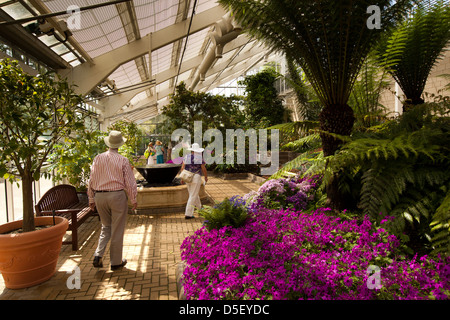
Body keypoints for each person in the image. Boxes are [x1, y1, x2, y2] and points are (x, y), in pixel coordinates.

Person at [87, 130, 138, 271]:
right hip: (116, 196)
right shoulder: (123, 160)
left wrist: (91, 198)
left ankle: (98, 254)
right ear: (119, 144)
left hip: (100, 196)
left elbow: (92, 179)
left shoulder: (97, 158)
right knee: (117, 229)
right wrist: (133, 199)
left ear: (108, 143)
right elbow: (130, 182)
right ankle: (115, 262)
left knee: (106, 226)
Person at [180, 143, 208, 219]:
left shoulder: (186, 156)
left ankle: (200, 209)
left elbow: (183, 168)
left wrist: (182, 178)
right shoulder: (199, 157)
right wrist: (206, 177)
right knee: (193, 195)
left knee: (194, 194)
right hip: (195, 177)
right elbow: (203, 168)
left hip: (187, 177)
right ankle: (188, 214)